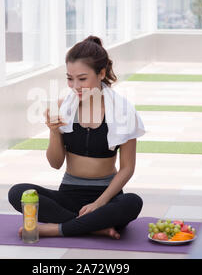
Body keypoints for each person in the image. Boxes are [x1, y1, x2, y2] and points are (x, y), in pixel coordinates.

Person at [8, 35, 144, 239]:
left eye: (82, 79)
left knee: (133, 202)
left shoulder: (123, 111)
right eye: (70, 79)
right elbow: (55, 163)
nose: (75, 86)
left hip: (106, 196)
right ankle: (94, 227)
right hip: (68, 193)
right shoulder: (62, 106)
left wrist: (99, 203)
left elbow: (127, 168)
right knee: (18, 192)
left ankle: (58, 228)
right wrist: (53, 131)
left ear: (102, 73)